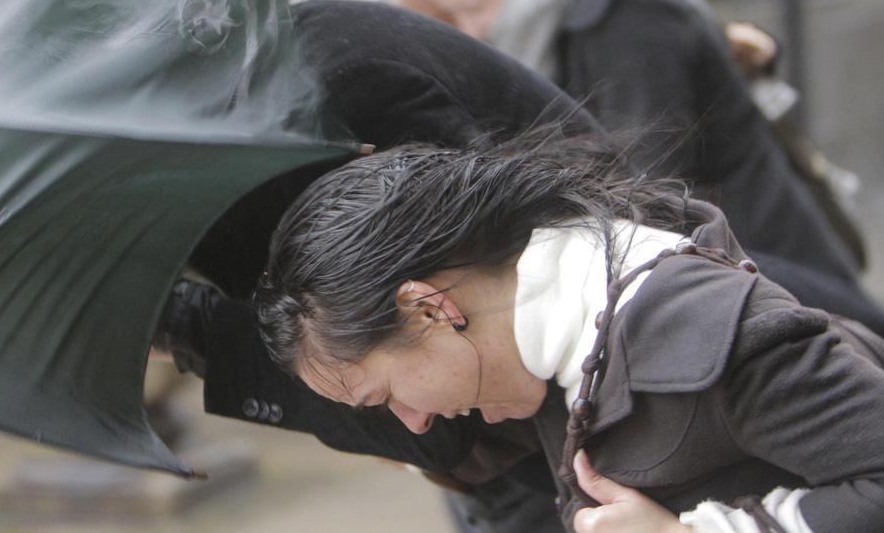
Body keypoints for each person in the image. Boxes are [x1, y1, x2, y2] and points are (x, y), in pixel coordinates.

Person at [253, 136, 884, 533]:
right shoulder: (552, 340)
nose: (413, 420)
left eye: (386, 394)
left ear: (427, 309)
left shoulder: (718, 332)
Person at [400, 0, 865, 283]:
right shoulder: (573, 0)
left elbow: (651, 179)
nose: (475, 29)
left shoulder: (629, 14)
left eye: (475, 7)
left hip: (765, 269)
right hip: (728, 264)